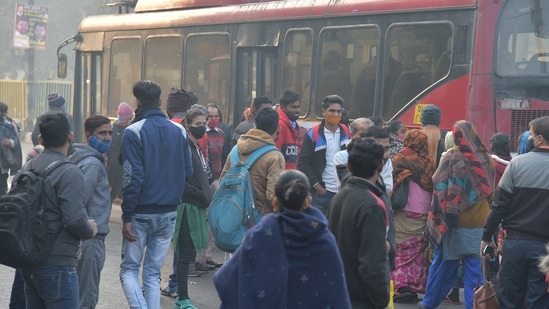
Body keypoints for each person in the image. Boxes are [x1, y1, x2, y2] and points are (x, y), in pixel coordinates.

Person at [214, 169, 352, 308]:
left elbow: (226, 281)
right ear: (308, 201)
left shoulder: (258, 237)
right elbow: (337, 295)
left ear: (274, 201)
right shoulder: (324, 240)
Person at [119, 80, 193, 309]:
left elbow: (132, 177)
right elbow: (188, 171)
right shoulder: (179, 130)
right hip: (169, 212)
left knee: (129, 270)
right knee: (152, 273)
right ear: (160, 102)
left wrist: (127, 216)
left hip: (141, 212)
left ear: (138, 102)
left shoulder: (133, 132)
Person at [21, 113, 97, 308]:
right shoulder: (69, 172)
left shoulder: (28, 167)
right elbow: (74, 220)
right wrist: (90, 228)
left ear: (41, 139)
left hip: (30, 261)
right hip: (58, 264)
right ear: (70, 136)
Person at [420, 120, 495, 309]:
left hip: (453, 222)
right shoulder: (486, 158)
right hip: (479, 221)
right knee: (475, 270)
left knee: (443, 266)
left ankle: (429, 303)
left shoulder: (452, 156)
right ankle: (474, 306)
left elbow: (439, 185)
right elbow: (491, 191)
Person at [481, 116, 549, 309]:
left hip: (516, 245)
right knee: (540, 300)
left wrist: (487, 236)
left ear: (540, 139)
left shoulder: (517, 164)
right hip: (546, 250)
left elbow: (499, 206)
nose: (530, 139)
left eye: (532, 135)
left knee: (510, 298)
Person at [328, 136, 390, 309]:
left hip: (339, 291)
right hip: (362, 298)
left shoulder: (339, 196)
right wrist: (381, 299)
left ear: (349, 167)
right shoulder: (372, 205)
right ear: (380, 166)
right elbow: (372, 264)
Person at [69, 115, 113, 309]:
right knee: (86, 298)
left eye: (110, 132)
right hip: (90, 240)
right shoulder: (92, 164)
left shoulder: (86, 159)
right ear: (88, 136)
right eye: (102, 133)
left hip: (87, 239)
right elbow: (79, 200)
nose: (108, 137)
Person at [173, 108, 214, 309]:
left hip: (197, 206)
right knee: (184, 255)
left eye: (204, 123)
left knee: (187, 253)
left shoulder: (196, 147)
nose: (203, 127)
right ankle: (183, 298)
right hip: (188, 208)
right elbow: (180, 181)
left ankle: (181, 296)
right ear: (188, 125)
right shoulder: (184, 147)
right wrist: (201, 194)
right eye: (198, 124)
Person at [390, 130, 435, 303]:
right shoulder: (429, 161)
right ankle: (413, 286)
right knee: (417, 252)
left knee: (400, 249)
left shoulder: (400, 158)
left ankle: (401, 287)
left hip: (403, 210)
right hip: (424, 211)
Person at [221, 107, 285, 215]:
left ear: (255, 125)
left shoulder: (236, 150)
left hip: (233, 218)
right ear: (278, 129)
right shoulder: (275, 156)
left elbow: (222, 182)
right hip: (260, 222)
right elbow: (273, 197)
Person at [298, 95, 350, 215]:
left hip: (342, 192)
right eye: (332, 111)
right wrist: (317, 186)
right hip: (323, 193)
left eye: (339, 111)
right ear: (323, 112)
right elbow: (303, 162)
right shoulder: (313, 134)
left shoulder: (346, 131)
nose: (336, 114)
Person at [107, 102, 133, 202]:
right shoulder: (113, 126)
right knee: (110, 178)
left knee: (119, 180)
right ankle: (109, 197)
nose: (125, 121)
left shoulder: (130, 128)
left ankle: (113, 196)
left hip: (123, 159)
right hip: (112, 159)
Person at [0, 102, 22, 196]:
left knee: (2, 188)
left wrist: (10, 142)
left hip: (2, 166)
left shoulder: (7, 125)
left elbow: (16, 141)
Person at [275, 90, 301, 169]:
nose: (297, 110)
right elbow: (276, 154)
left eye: (298, 106)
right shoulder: (280, 125)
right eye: (293, 107)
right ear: (283, 107)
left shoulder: (293, 125)